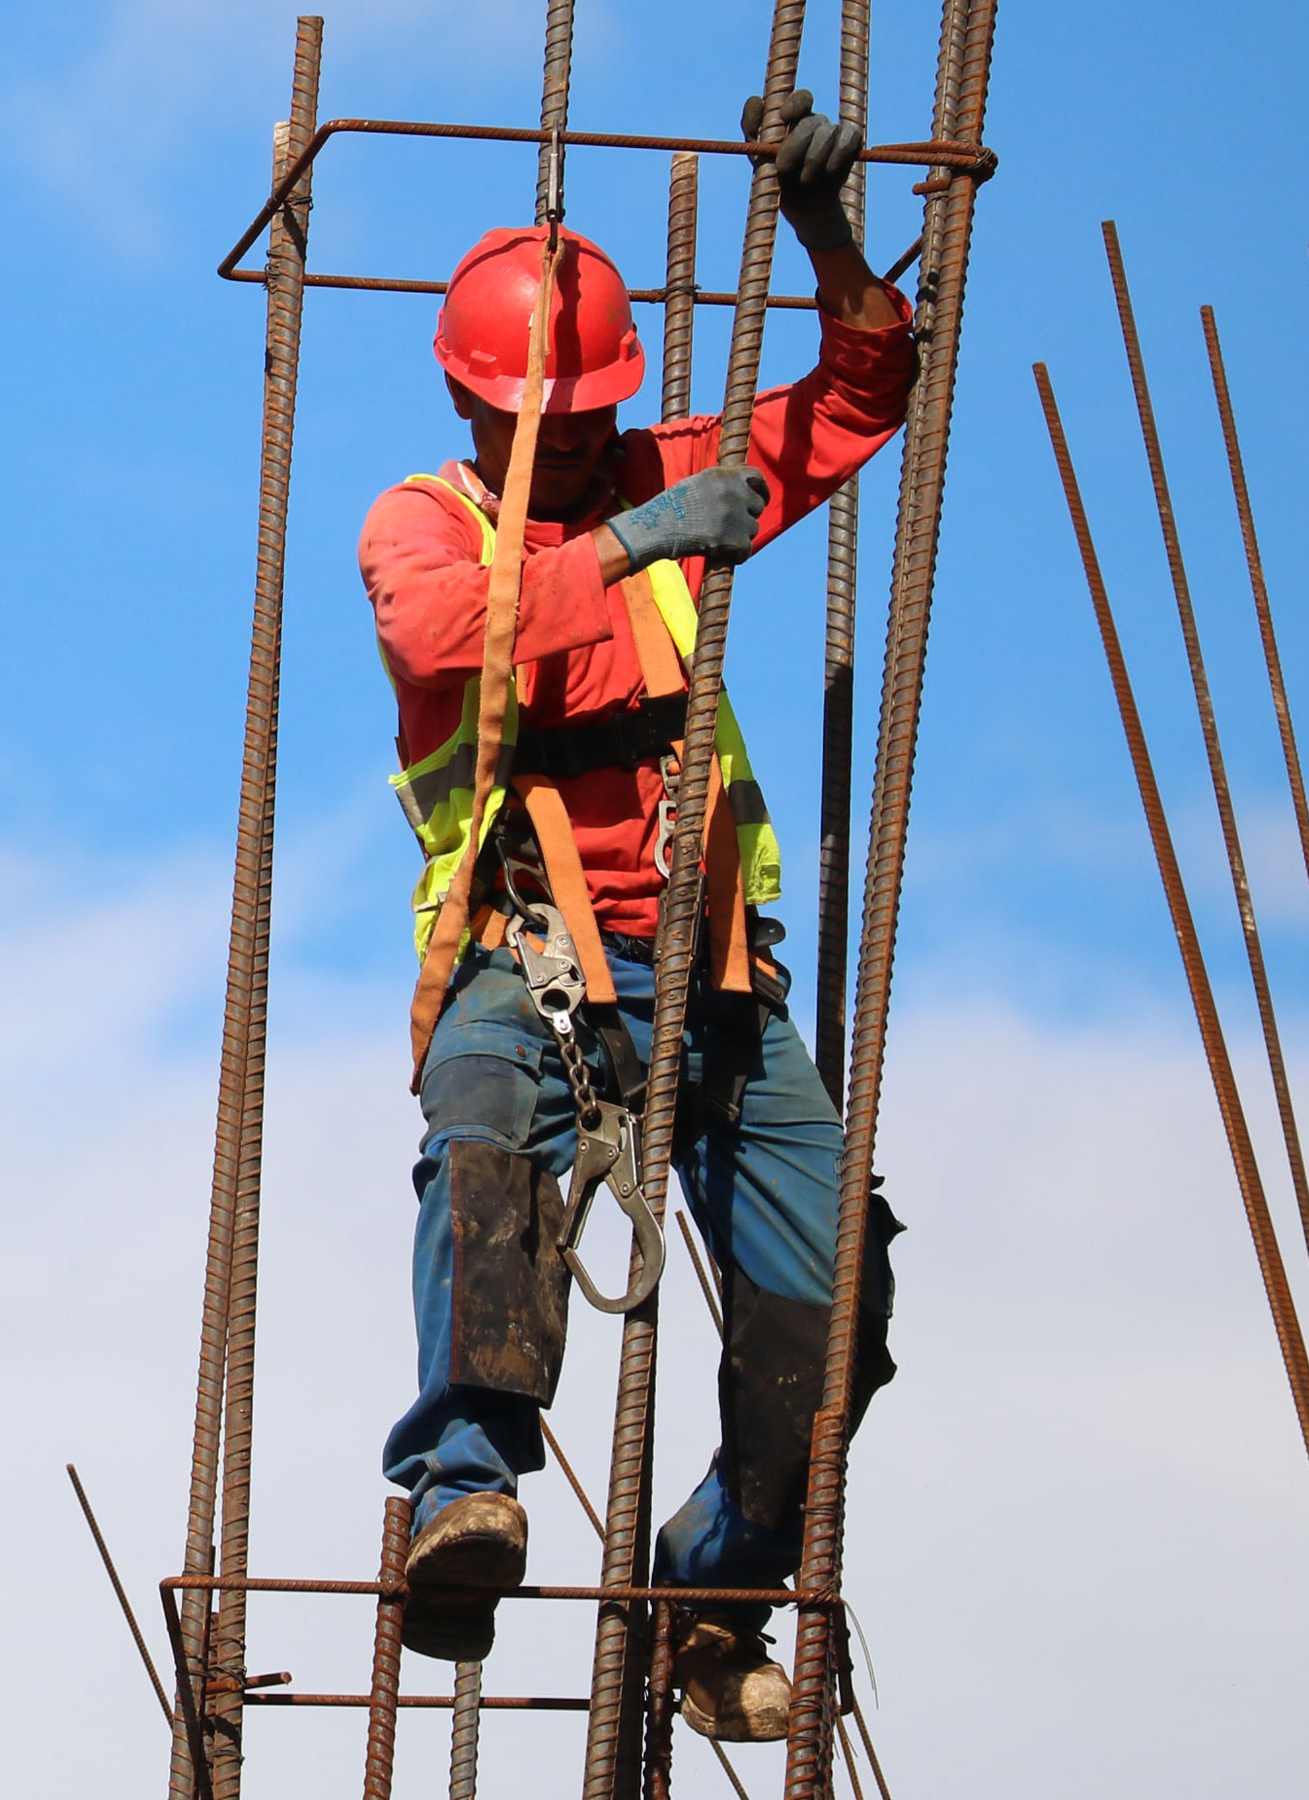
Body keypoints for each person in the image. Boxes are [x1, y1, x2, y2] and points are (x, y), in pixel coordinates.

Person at [356, 93, 914, 1742]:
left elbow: (857, 399)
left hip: (714, 975)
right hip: (521, 957)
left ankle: (709, 1587)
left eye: (602, 415)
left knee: (833, 1330)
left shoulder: (669, 475)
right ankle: (469, 1484)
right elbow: (451, 637)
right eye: (559, 419)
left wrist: (830, 251)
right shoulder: (422, 526)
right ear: (476, 397)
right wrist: (627, 538)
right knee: (482, 1145)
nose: (591, 440)